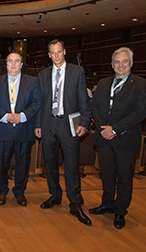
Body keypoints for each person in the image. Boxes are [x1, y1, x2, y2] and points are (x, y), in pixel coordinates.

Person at [89, 47, 146, 229]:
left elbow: (139, 113)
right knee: (106, 174)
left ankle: (120, 211)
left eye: (124, 61)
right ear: (112, 64)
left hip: (125, 139)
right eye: (117, 62)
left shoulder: (141, 84)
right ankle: (107, 204)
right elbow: (95, 107)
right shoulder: (103, 83)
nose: (121, 65)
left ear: (131, 63)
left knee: (124, 177)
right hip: (104, 138)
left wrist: (114, 129)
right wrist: (103, 129)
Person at [34, 39, 92, 226]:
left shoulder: (77, 72)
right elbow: (39, 103)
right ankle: (55, 195)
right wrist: (38, 124)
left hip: (69, 125)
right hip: (49, 124)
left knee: (72, 166)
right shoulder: (43, 74)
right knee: (50, 164)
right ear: (49, 55)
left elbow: (84, 100)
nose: (56, 55)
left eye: (59, 51)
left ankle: (75, 203)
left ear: (65, 52)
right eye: (53, 52)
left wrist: (84, 122)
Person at [0, 51, 42, 207]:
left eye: (16, 61)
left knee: (23, 164)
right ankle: (2, 191)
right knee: (2, 163)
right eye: (10, 61)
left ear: (21, 64)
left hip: (24, 128)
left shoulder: (32, 82)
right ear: (6, 64)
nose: (13, 64)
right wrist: (4, 116)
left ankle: (19, 192)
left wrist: (22, 116)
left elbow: (36, 103)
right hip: (3, 129)